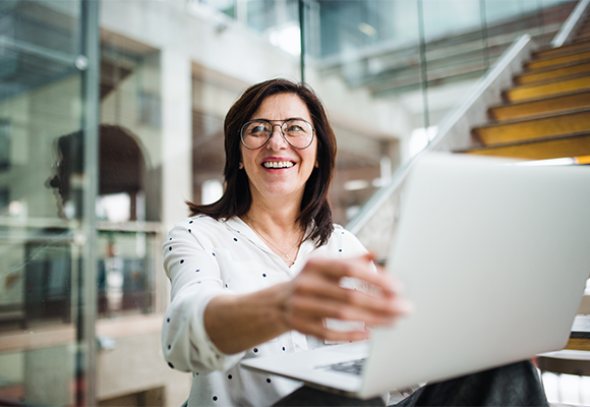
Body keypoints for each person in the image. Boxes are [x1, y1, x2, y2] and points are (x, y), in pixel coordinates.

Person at [161, 79, 548, 407]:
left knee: (505, 368)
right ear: (239, 157)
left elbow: (392, 359)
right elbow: (183, 335)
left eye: (295, 128)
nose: (276, 141)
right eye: (258, 129)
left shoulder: (342, 244)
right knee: (343, 397)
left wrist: (464, 351)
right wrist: (280, 307)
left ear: (316, 157)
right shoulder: (198, 235)